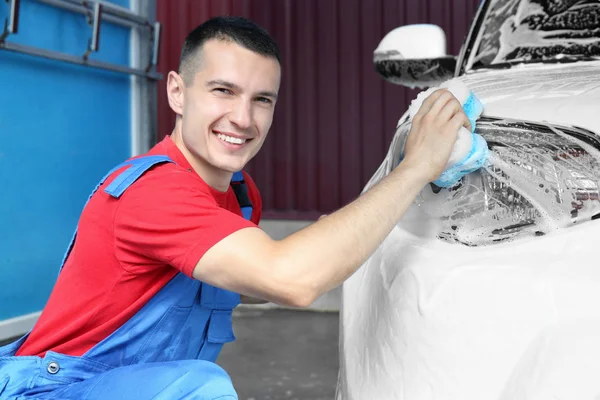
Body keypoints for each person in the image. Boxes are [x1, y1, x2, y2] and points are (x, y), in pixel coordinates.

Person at [0, 15, 471, 400]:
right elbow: (290, 280)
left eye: (261, 99)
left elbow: (242, 283)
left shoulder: (238, 192)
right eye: (222, 91)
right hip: (55, 390)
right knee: (199, 390)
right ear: (177, 93)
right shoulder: (156, 192)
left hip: (125, 387)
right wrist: (415, 168)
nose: (243, 119)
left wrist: (330, 242)